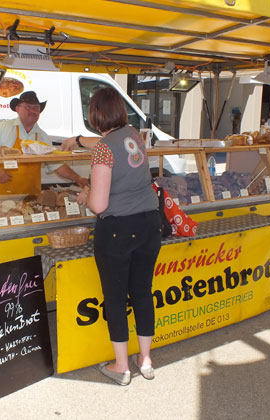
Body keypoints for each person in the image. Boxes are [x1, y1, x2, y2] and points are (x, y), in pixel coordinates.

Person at [74, 88, 162, 386]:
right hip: (150, 223)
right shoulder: (133, 134)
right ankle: (146, 359)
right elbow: (106, 146)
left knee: (115, 298)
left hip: (118, 230)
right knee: (142, 292)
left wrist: (85, 195)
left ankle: (121, 366)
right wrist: (74, 142)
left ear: (94, 113)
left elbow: (98, 205)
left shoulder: (102, 149)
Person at [0, 91, 89, 198]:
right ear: (17, 109)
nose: (32, 111)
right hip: (2, 196)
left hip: (31, 198)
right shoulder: (1, 128)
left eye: (36, 108)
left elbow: (56, 164)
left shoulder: (42, 136)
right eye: (27, 107)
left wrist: (78, 178)